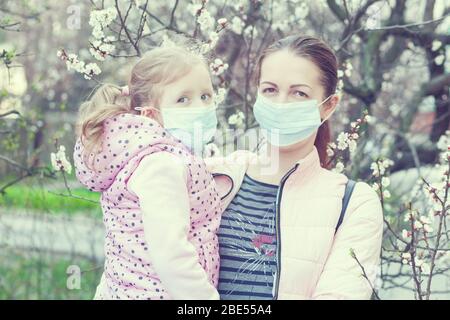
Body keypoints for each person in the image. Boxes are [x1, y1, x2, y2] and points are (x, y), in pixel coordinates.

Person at [207, 34, 383, 300]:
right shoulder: (211, 176)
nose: (281, 104)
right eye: (270, 90)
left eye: (299, 93)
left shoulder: (354, 204)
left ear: (328, 106)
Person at [73, 45, 221, 300]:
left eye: (206, 96)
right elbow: (171, 254)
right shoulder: (161, 165)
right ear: (152, 114)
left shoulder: (137, 154)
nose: (200, 106)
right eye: (183, 99)